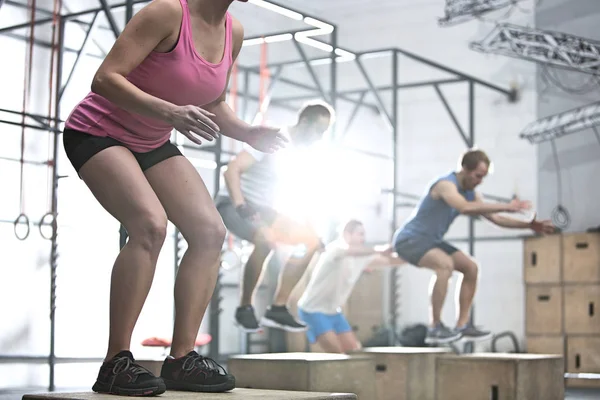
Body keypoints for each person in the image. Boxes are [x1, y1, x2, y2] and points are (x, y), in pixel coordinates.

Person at [61, 0, 287, 396]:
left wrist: (248, 133)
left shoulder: (232, 31)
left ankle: (182, 359)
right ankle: (116, 362)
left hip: (152, 139)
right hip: (98, 130)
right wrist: (169, 112)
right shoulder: (166, 13)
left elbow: (213, 102)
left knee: (209, 232)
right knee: (150, 226)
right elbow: (105, 79)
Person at [392, 149, 556, 345]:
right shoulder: (445, 185)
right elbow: (464, 208)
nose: (480, 181)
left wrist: (528, 225)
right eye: (478, 176)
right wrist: (506, 205)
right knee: (444, 265)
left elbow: (496, 219)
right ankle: (435, 327)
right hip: (409, 239)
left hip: (431, 240)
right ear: (464, 169)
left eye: (483, 177)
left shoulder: (471, 193)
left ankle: (462, 325)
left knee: (471, 267)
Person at [217, 101, 334, 333]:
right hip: (233, 202)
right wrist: (241, 206)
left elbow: (302, 196)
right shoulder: (274, 138)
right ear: (303, 122)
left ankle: (278, 309)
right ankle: (245, 308)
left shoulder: (303, 155)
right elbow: (231, 170)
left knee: (309, 242)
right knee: (265, 239)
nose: (320, 138)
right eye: (318, 131)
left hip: (265, 210)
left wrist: (313, 232)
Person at [296, 220, 405, 353]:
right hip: (312, 310)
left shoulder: (363, 258)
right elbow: (351, 252)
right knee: (337, 354)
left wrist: (417, 256)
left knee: (355, 352)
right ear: (347, 234)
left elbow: (391, 261)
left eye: (364, 234)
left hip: (333, 312)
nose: (363, 238)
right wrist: (379, 249)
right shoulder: (335, 250)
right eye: (360, 234)